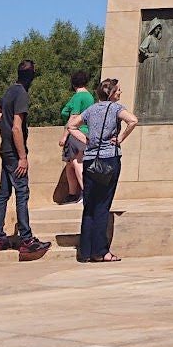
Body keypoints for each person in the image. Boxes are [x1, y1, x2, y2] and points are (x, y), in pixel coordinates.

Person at [0, 58, 51, 261]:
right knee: (21, 193)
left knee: (3, 194)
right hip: (14, 153)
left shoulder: (10, 91)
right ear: (32, 75)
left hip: (4, 151)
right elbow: (17, 127)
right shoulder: (22, 94)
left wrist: (4, 120)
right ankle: (26, 240)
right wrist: (23, 156)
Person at [71, 78, 137, 263]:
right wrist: (121, 137)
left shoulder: (91, 109)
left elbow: (71, 126)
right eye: (118, 90)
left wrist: (87, 141)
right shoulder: (116, 108)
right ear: (111, 93)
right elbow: (133, 120)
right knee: (102, 206)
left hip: (90, 160)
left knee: (89, 206)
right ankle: (101, 251)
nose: (120, 93)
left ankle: (85, 252)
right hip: (109, 159)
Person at [59, 68, 95, 200]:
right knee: (70, 164)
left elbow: (73, 118)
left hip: (76, 133)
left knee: (77, 162)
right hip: (87, 133)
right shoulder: (90, 96)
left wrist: (64, 136)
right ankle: (72, 193)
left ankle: (86, 194)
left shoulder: (77, 97)